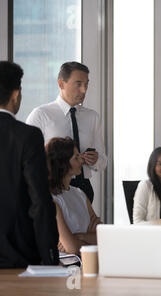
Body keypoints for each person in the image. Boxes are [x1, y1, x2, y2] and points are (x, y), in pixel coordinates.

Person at [0, 61, 59, 267]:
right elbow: (40, 201)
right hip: (18, 255)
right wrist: (50, 257)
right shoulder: (27, 136)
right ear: (16, 94)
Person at [26, 62, 107, 203]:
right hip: (52, 188)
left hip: (84, 188)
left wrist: (95, 160)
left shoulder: (92, 117)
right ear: (61, 84)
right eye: (78, 84)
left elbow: (103, 162)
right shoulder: (41, 115)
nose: (84, 90)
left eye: (86, 84)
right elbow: (28, 158)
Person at [45, 137, 102, 255]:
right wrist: (90, 239)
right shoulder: (51, 199)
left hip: (87, 263)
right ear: (62, 164)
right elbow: (73, 248)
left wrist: (79, 237)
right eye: (76, 157)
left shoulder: (80, 193)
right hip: (66, 268)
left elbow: (103, 236)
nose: (82, 159)